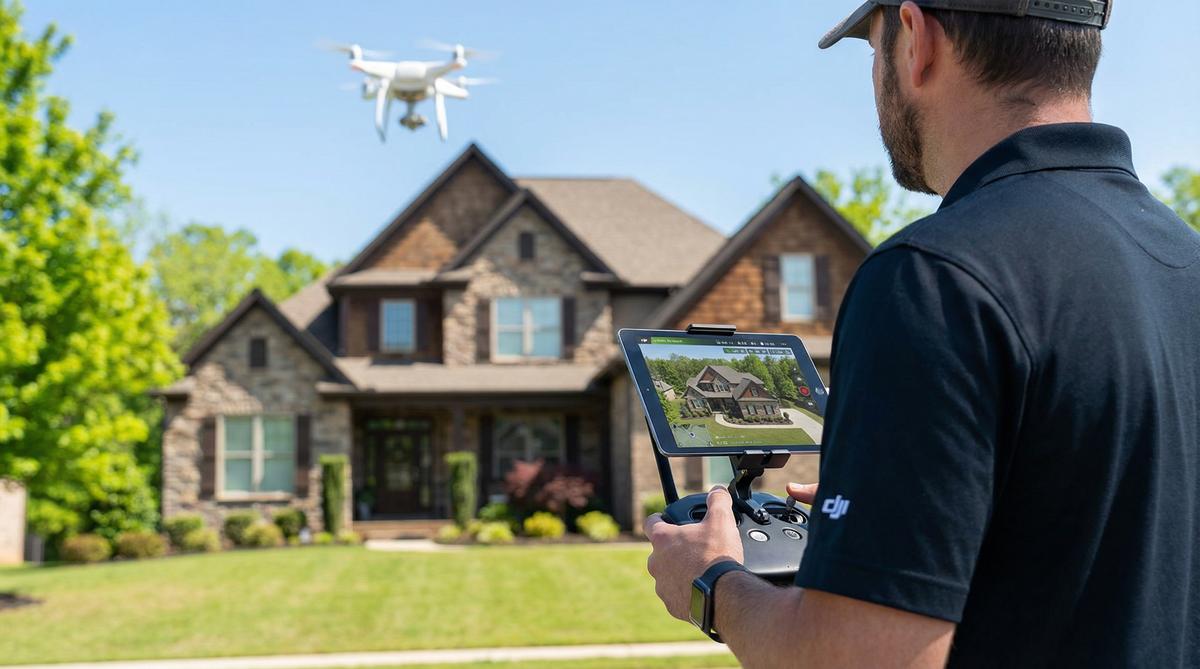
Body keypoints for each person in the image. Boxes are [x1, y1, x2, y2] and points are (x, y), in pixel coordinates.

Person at [642, 1, 1200, 667]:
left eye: (872, 49)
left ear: (916, 38)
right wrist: (910, 507)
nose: (875, 76)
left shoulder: (932, 279)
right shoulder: (1183, 258)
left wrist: (712, 583)